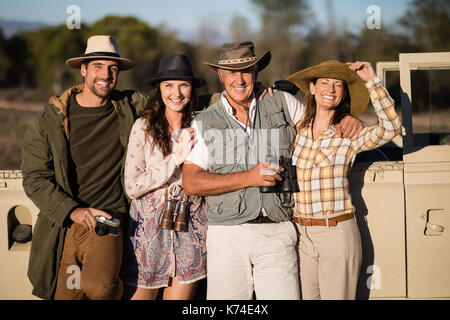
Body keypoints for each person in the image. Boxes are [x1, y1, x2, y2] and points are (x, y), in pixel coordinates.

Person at [182, 41, 363, 300]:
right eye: (232, 72)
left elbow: (321, 126)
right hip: (226, 235)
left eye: (246, 70)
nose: (239, 79)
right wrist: (249, 178)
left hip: (278, 229)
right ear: (220, 75)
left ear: (256, 72)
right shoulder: (204, 120)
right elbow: (191, 182)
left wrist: (347, 117)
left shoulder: (283, 103)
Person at [21, 35, 148, 300]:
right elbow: (35, 178)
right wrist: (73, 211)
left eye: (113, 69)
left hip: (108, 218)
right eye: (99, 66)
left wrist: (226, 95)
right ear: (84, 70)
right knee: (67, 294)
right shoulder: (52, 118)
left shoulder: (129, 107)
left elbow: (175, 100)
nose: (106, 74)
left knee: (99, 288)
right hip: (65, 221)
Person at [286, 60, 402, 299]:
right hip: (301, 235)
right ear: (312, 88)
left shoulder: (348, 134)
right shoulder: (297, 131)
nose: (331, 90)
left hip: (335, 232)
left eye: (338, 85)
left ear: (343, 94)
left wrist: (371, 80)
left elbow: (391, 128)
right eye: (325, 83)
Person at [120, 54, 207, 300]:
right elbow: (132, 186)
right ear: (159, 89)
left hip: (190, 229)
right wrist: (174, 160)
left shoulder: (202, 125)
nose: (176, 93)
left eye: (183, 85)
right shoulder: (143, 127)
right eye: (169, 85)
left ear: (192, 88)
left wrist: (263, 89)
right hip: (148, 235)